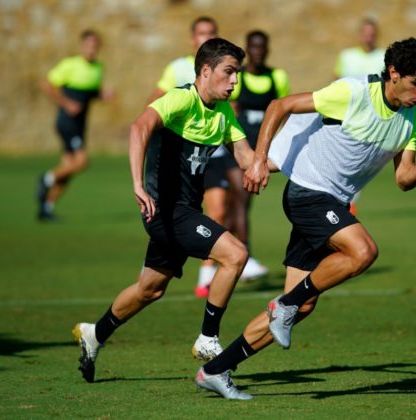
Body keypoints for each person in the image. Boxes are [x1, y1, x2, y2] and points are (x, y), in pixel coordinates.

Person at [194, 37, 416, 400]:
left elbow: (403, 180)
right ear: (394, 73)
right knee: (363, 252)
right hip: (307, 194)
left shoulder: (412, 114)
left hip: (333, 204)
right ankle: (283, 306)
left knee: (304, 303)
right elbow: (280, 106)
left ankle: (216, 370)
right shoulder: (353, 93)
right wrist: (260, 160)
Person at [72, 38, 256, 383]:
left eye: (238, 74)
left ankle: (94, 334)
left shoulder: (223, 113)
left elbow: (248, 159)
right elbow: (139, 127)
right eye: (229, 72)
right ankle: (208, 339)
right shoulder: (181, 99)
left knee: (150, 289)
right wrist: (138, 184)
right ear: (206, 71)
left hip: (184, 211)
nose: (235, 81)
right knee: (235, 254)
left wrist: (290, 161)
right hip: (165, 210)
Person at [142, 16, 227, 299]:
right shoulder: (178, 70)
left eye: (211, 33)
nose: (206, 37)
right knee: (150, 290)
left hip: (213, 149)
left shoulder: (225, 70)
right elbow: (152, 108)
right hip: (181, 155)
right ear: (193, 39)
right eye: (201, 33)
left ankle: (207, 273)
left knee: (222, 210)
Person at [225, 30, 291, 284]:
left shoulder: (277, 77)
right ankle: (246, 256)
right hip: (237, 147)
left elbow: (284, 113)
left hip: (262, 151)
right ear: (247, 48)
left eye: (262, 47)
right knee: (240, 198)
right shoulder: (237, 78)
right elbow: (228, 107)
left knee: (238, 204)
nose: (258, 51)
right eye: (253, 46)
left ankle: (222, 254)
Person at [37, 29, 112, 221]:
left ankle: (46, 208)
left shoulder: (97, 68)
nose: (91, 48)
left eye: (95, 45)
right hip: (67, 122)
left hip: (80, 124)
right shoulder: (70, 64)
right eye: (88, 44)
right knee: (82, 162)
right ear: (82, 45)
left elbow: (90, 93)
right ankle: (46, 179)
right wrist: (66, 103)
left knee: (69, 167)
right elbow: (47, 84)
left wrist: (101, 95)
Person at [334, 18, 386, 215]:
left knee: (362, 162)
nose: (369, 36)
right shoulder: (346, 56)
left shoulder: (383, 57)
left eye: (372, 33)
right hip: (349, 117)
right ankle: (345, 202)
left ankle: (348, 201)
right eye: (366, 32)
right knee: (344, 158)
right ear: (359, 34)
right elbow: (337, 81)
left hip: (373, 119)